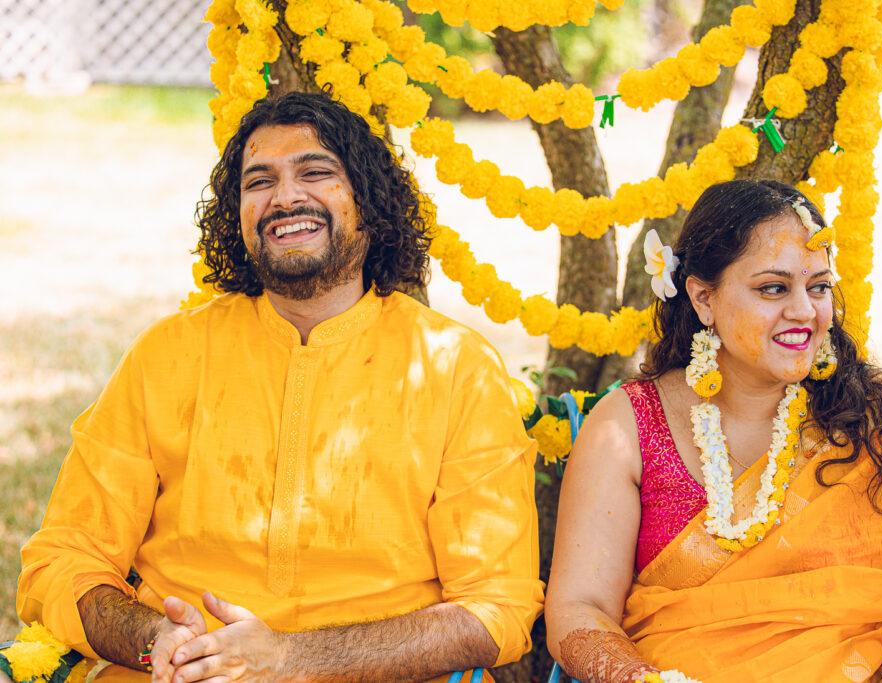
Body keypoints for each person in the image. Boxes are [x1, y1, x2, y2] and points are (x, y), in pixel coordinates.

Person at [17, 90, 543, 683]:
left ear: (368, 199)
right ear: (238, 213)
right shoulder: (167, 355)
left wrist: (292, 659)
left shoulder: (456, 368)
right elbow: (63, 558)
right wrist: (156, 639)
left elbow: (495, 608)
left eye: (315, 172)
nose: (285, 197)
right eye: (259, 181)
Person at [544, 179, 882, 683]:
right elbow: (580, 606)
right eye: (773, 288)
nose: (804, 311)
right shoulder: (629, 425)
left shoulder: (880, 423)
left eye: (818, 287)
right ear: (703, 298)